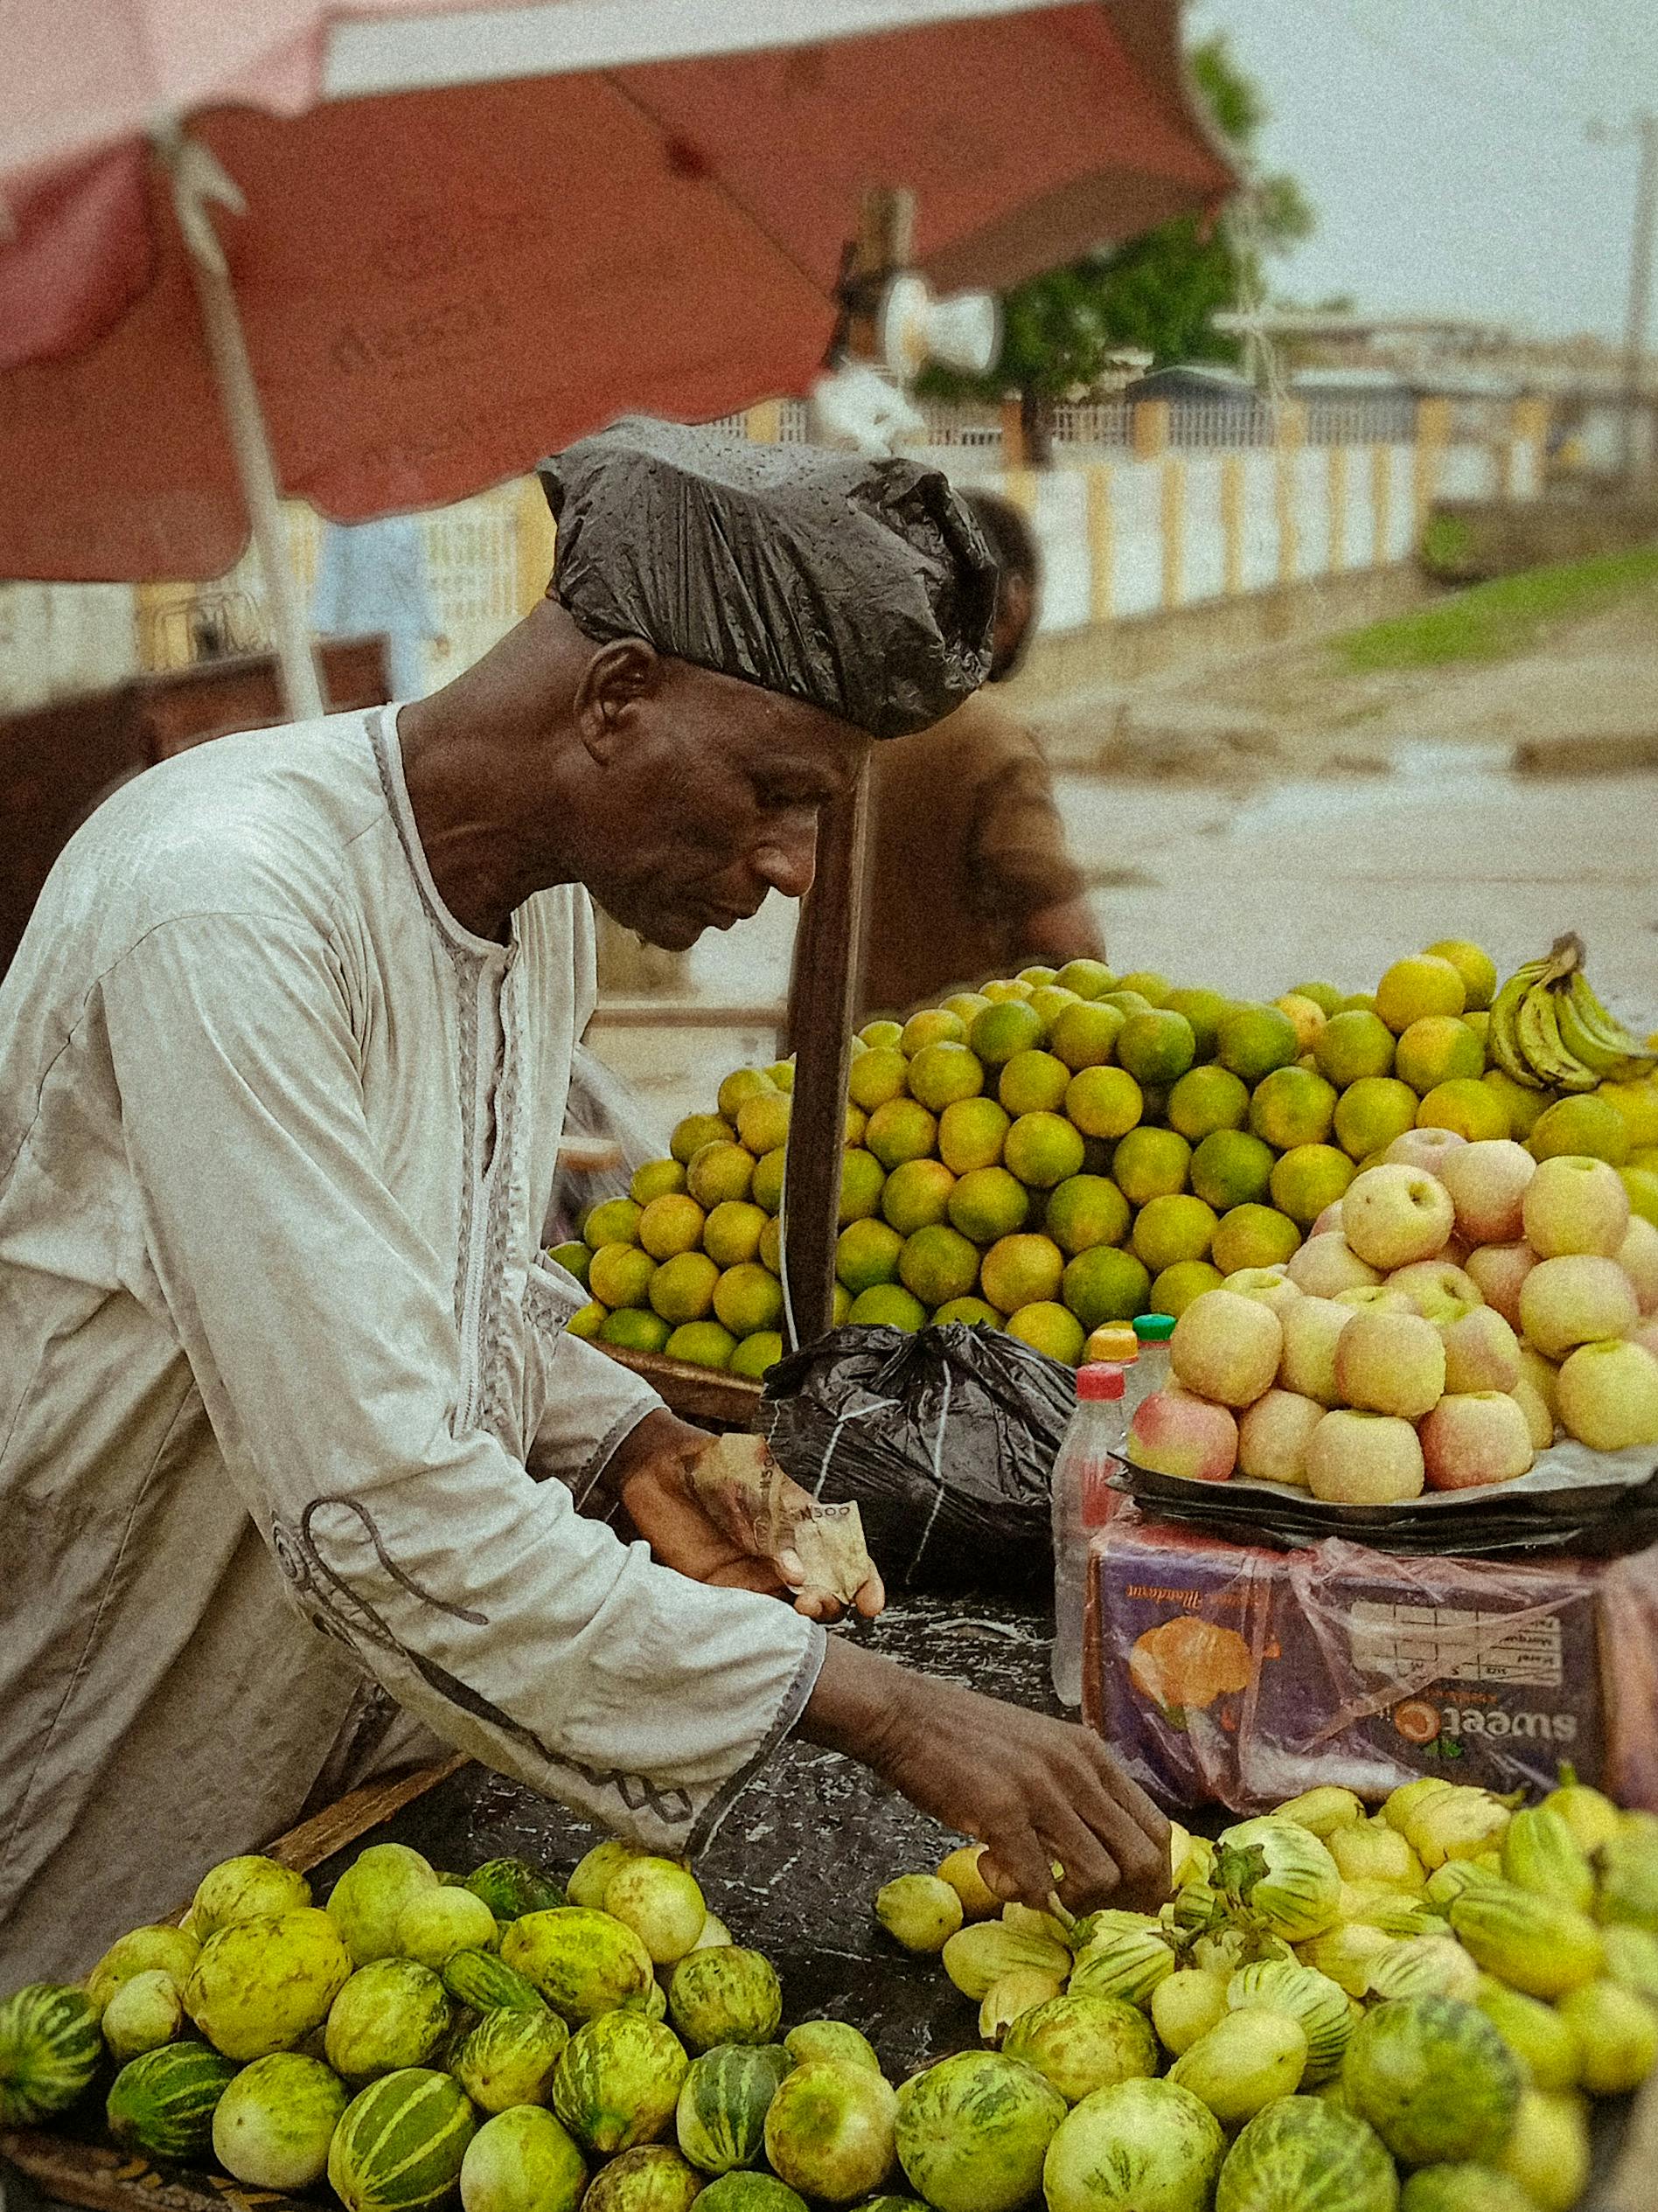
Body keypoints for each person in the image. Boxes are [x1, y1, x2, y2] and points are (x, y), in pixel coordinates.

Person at [0, 421, 1166, 1980]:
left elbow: (449, 1286)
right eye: (777, 792)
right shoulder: (224, 910)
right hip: (100, 1799)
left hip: (343, 1801)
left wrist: (644, 1443)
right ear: (620, 696)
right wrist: (882, 1709)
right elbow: (382, 1505)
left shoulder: (534, 908)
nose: (797, 868)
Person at [859, 487, 1104, 1015]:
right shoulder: (988, 740)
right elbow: (1073, 950)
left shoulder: (857, 720)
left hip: (829, 1063)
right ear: (1014, 598)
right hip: (937, 1078)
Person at [311, 514, 448, 700]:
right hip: (355, 629)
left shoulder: (406, 522)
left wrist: (435, 630)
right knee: (359, 700)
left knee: (406, 700)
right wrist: (324, 627)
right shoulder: (343, 520)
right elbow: (332, 573)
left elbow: (417, 581)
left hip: (401, 631)